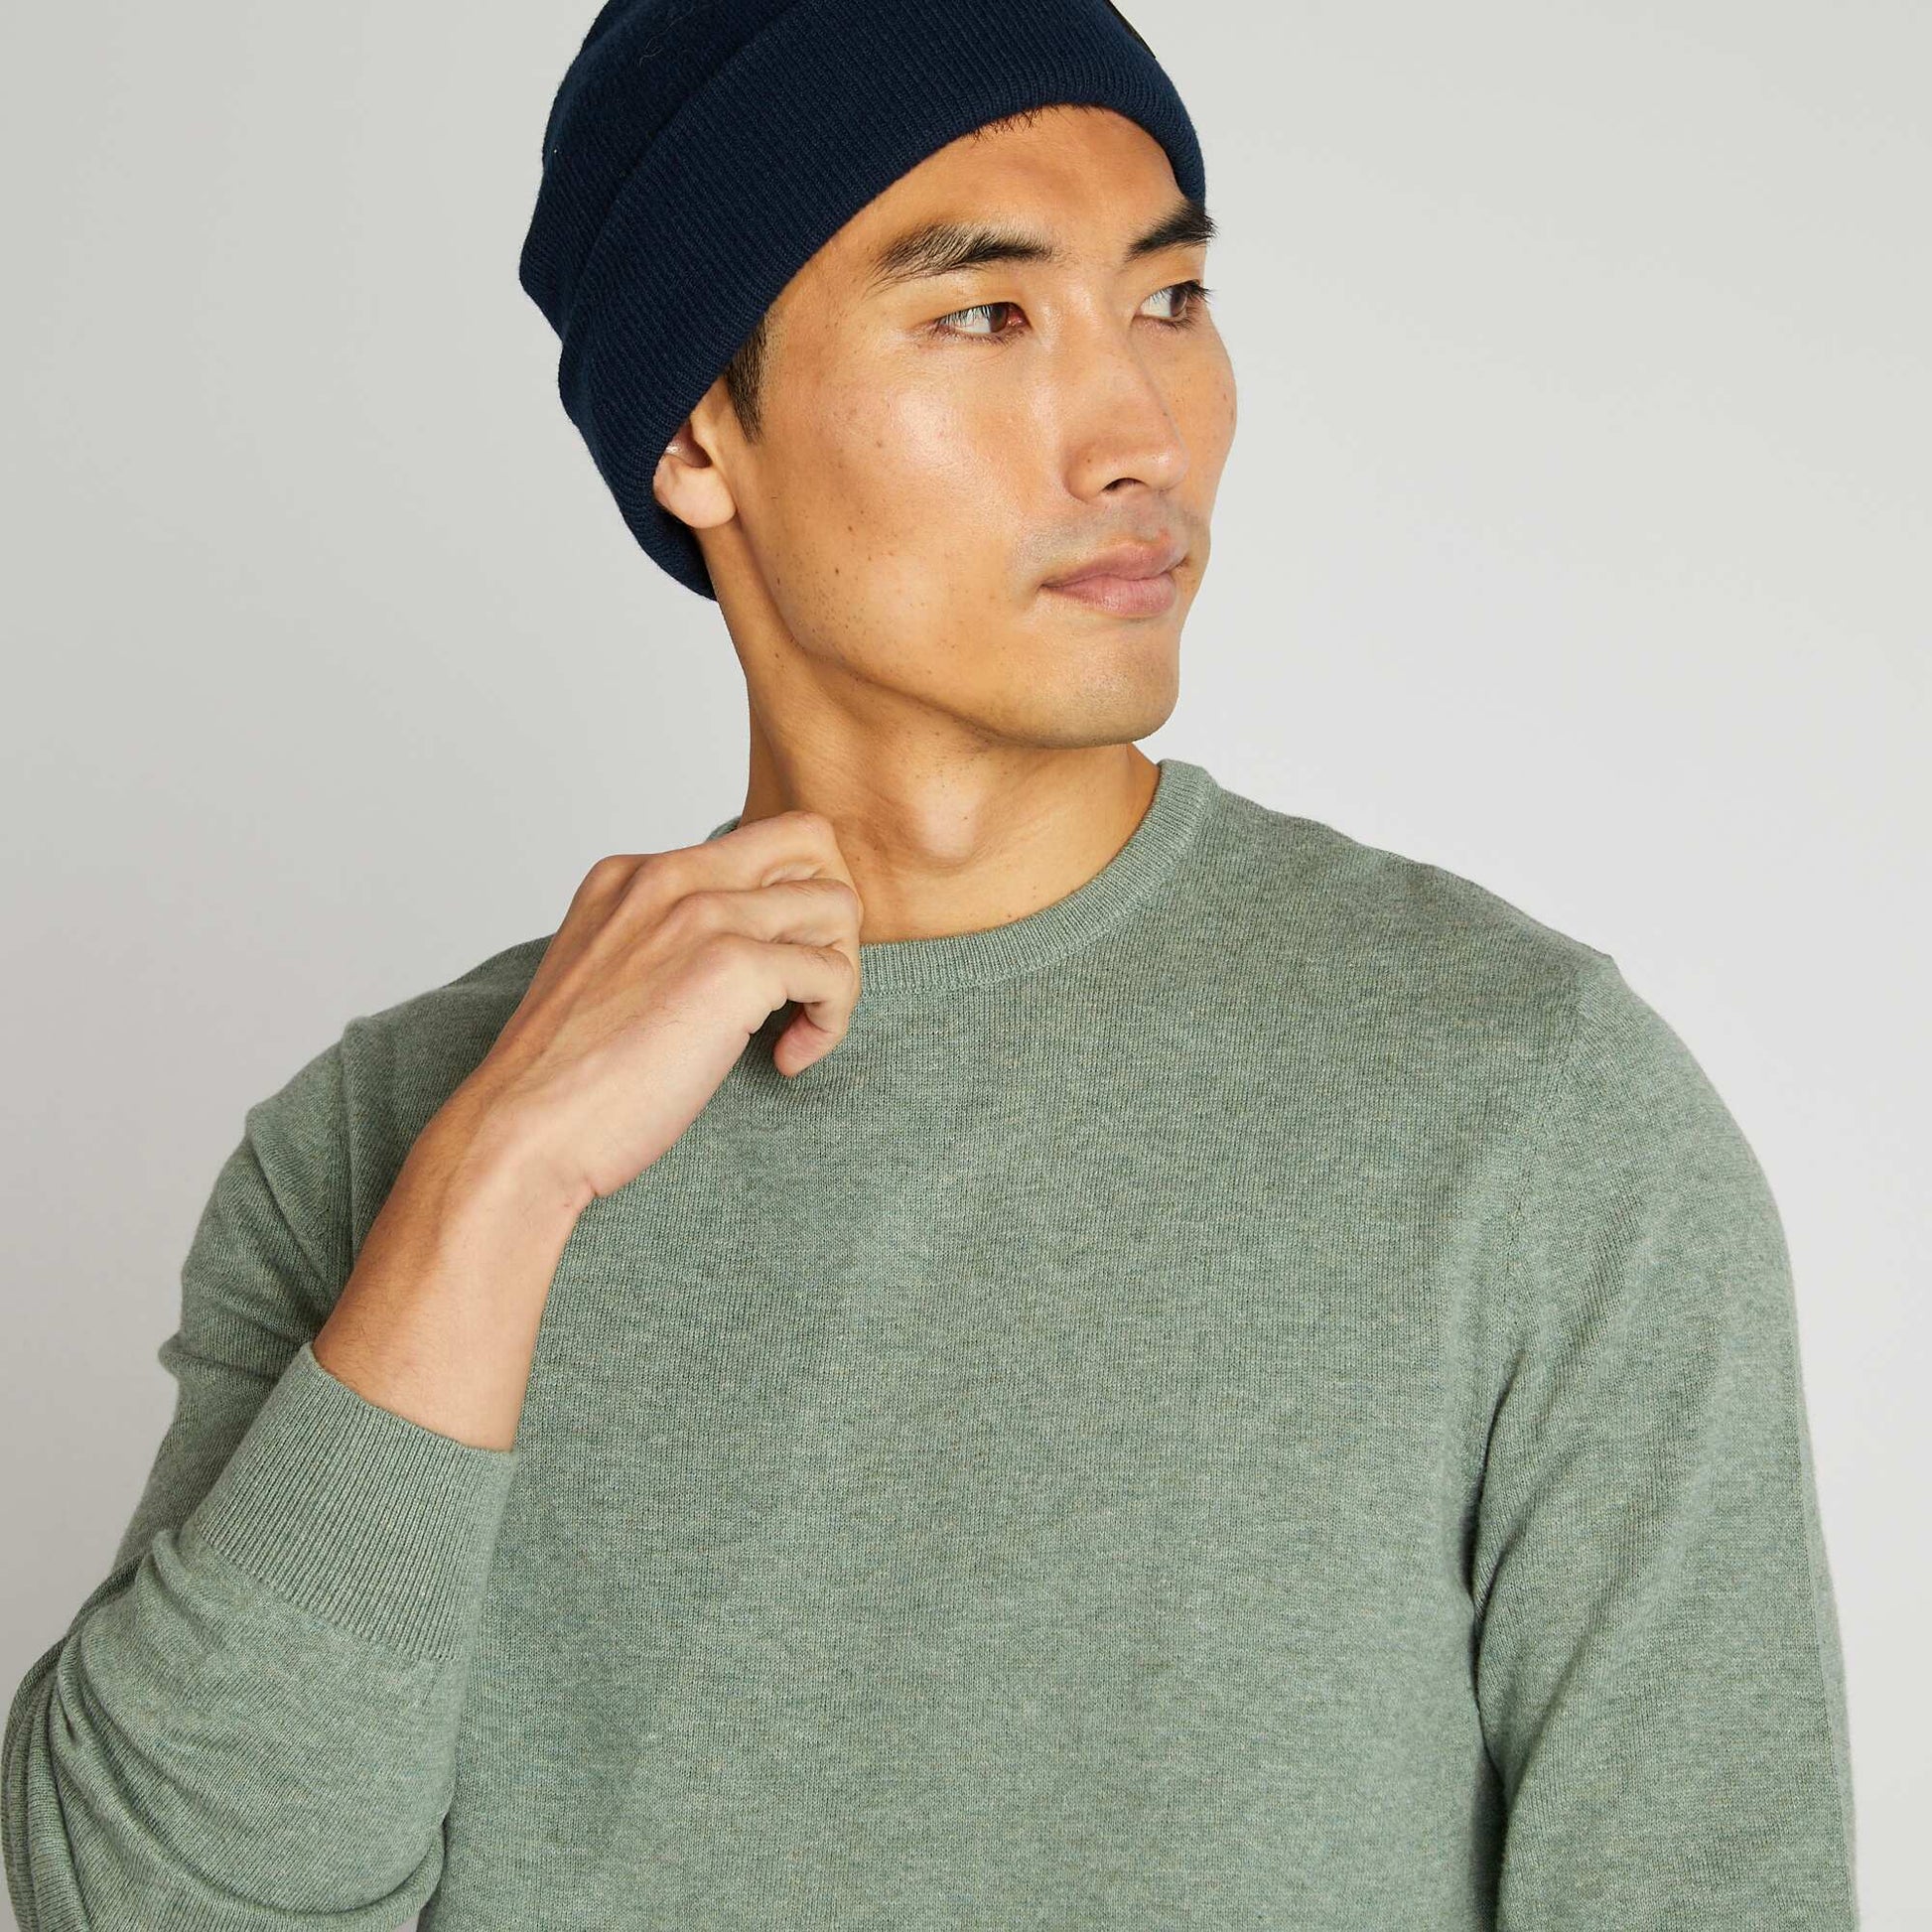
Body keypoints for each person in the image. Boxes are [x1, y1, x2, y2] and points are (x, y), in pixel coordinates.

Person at [4, 0, 1860, 1925]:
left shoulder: (1525, 1107)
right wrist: (500, 1178)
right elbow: (145, 1903)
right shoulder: (388, 1141)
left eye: (1169, 300)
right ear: (698, 431)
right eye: (985, 315)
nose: (1139, 435)